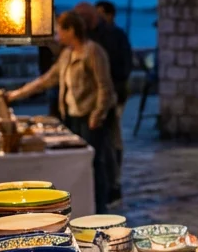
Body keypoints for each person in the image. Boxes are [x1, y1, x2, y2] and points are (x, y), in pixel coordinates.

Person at [6, 11, 117, 213]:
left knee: (95, 163)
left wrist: (97, 114)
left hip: (89, 118)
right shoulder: (67, 54)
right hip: (72, 117)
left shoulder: (92, 52)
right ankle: (83, 205)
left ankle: (100, 207)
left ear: (71, 30)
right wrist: (14, 95)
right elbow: (46, 80)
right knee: (80, 164)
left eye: (60, 31)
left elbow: (105, 87)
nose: (58, 36)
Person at [94, 0, 133, 202]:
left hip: (115, 94)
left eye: (101, 13)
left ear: (110, 15)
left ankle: (114, 180)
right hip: (108, 94)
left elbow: (124, 66)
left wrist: (115, 88)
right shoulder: (101, 36)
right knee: (110, 138)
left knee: (113, 137)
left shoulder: (117, 36)